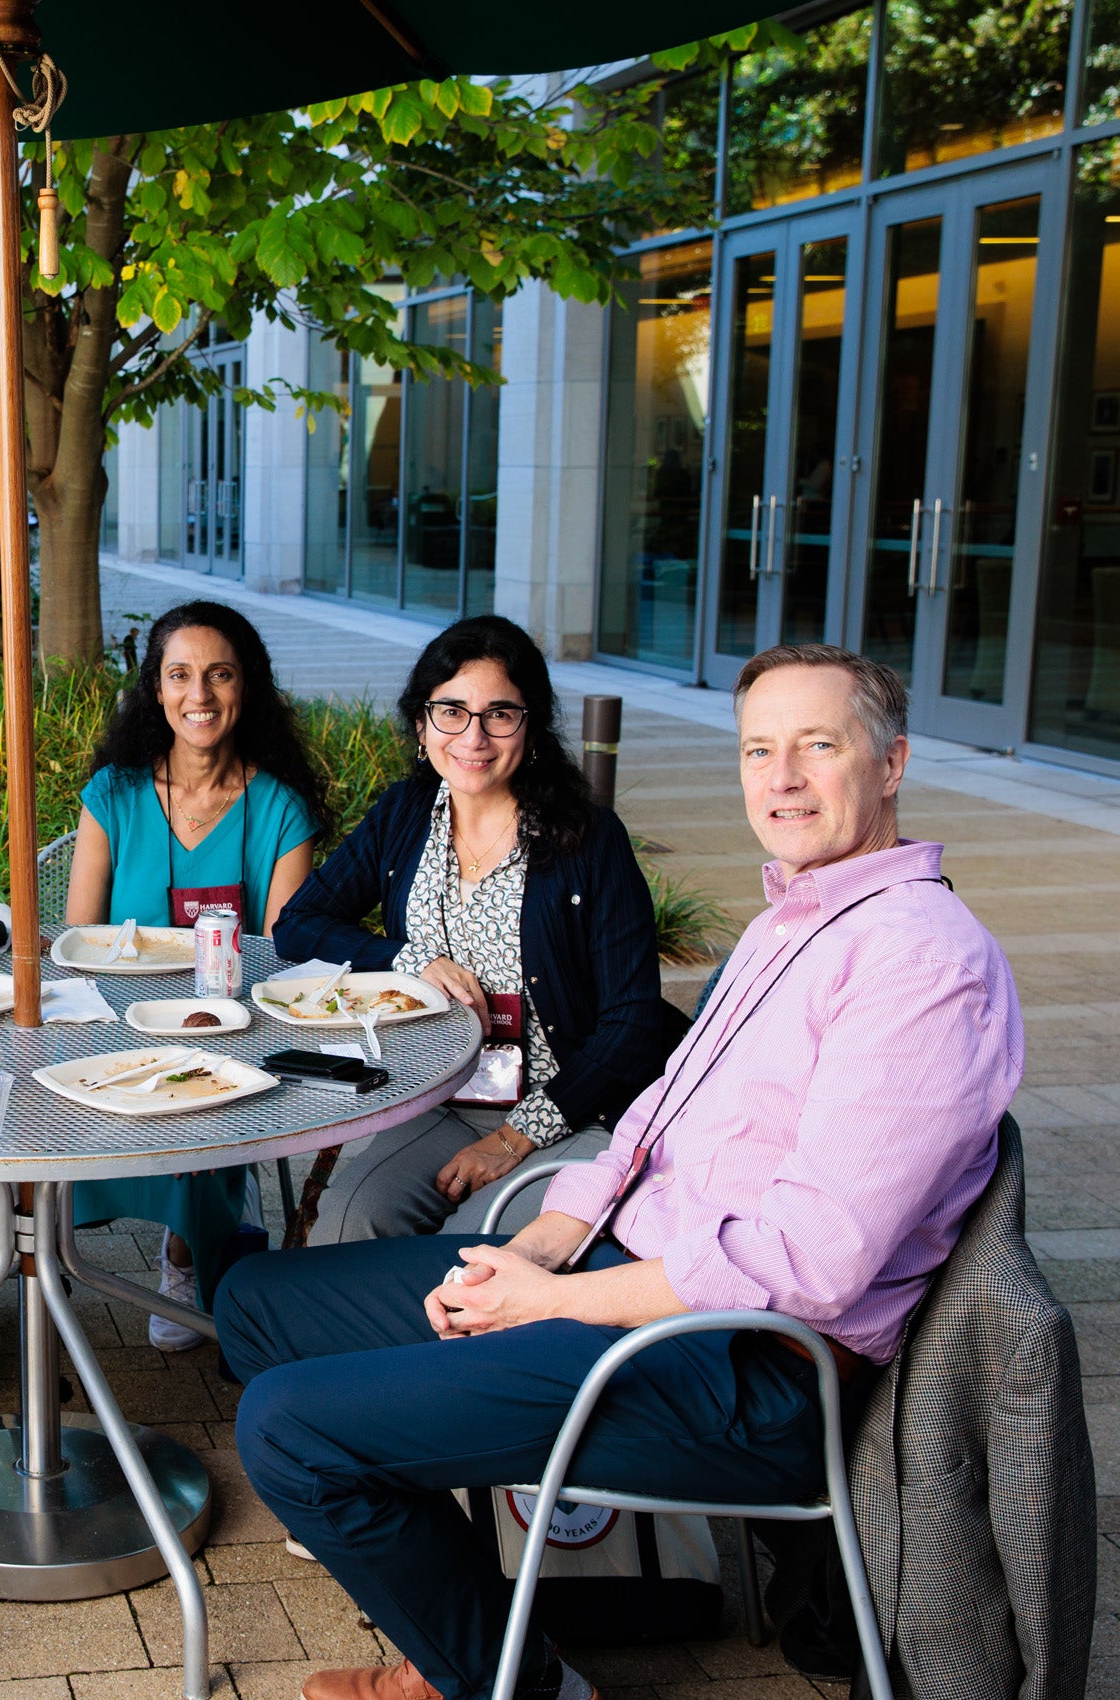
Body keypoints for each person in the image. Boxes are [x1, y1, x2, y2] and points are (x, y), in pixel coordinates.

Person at [218, 643, 1024, 1700]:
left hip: (744, 1367)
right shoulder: (802, 918)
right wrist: (542, 1237)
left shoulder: (920, 959)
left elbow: (810, 1260)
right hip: (633, 1271)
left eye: (816, 745)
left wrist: (557, 1296)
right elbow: (654, 1115)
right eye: (758, 749)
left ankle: (512, 1677)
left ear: (891, 762)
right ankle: (476, 1611)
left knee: (287, 1425)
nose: (780, 777)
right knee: (254, 1304)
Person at [273, 615, 669, 1242]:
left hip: (574, 1111)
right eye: (451, 711)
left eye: (500, 714)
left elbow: (634, 1020)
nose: (474, 737)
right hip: (444, 1097)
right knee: (346, 1228)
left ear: (530, 727)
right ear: (423, 723)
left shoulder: (589, 840)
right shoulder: (403, 815)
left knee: (471, 1248)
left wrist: (517, 1137)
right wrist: (408, 959)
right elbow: (297, 924)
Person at [63, 602, 328, 1348]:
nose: (200, 695)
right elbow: (76, 941)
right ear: (155, 688)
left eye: (220, 674)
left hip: (228, 1025)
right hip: (115, 1021)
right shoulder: (113, 794)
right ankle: (48, 1249)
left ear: (247, 688)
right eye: (180, 675)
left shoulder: (278, 808)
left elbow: (283, 953)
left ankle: (182, 1259)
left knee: (221, 1093)